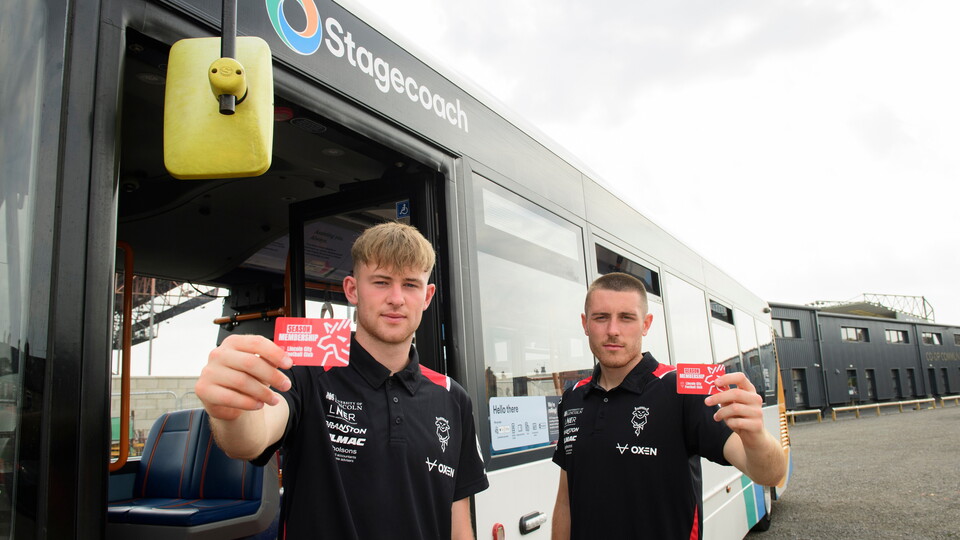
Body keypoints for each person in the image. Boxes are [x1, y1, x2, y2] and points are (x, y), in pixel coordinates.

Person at [195, 222, 489, 539]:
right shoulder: (305, 375)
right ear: (352, 290)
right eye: (381, 282)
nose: (396, 298)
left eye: (410, 285)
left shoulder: (453, 397)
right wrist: (230, 409)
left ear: (427, 295)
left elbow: (458, 520)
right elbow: (250, 439)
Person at [551, 272, 786, 540]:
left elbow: (769, 473)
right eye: (601, 317)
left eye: (626, 317)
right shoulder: (573, 399)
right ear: (585, 323)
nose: (613, 330)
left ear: (646, 324)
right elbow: (565, 501)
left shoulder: (682, 391)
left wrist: (757, 437)